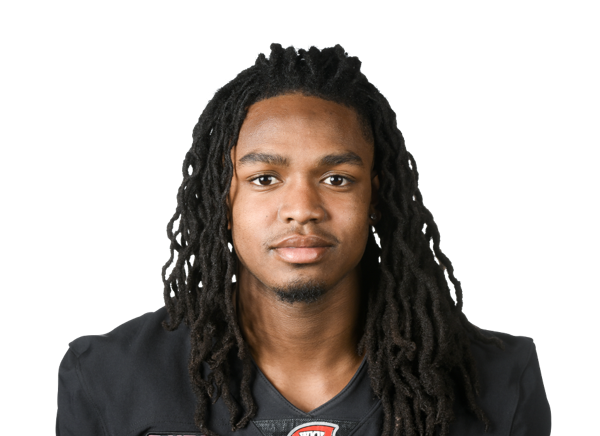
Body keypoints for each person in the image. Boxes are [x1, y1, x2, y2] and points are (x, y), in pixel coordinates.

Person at [56, 43, 551, 436]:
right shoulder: (106, 376)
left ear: (375, 197)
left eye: (337, 179)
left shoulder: (502, 379)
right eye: (265, 178)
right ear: (222, 198)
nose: (302, 209)